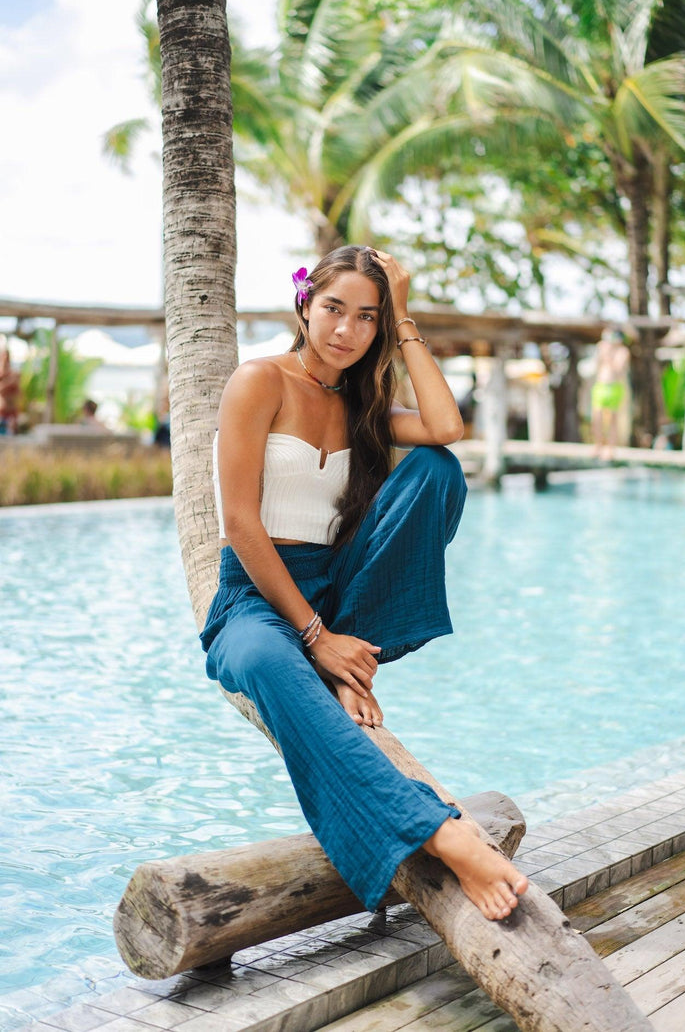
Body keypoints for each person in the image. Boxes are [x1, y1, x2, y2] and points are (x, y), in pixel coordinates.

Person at [200, 245, 528, 921]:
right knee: (262, 657)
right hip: (256, 600)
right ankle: (441, 831)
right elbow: (239, 523)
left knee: (436, 468)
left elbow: (446, 427)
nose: (346, 330)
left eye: (367, 317)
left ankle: (340, 664)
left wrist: (405, 316)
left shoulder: (362, 404)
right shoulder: (259, 381)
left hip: (340, 587)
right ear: (304, 306)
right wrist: (316, 639)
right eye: (333, 309)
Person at [591, 328, 630, 460]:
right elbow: (596, 365)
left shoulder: (623, 351)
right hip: (600, 386)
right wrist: (601, 352)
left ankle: (610, 449)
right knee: (597, 418)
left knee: (613, 419)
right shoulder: (602, 348)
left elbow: (618, 368)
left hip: (615, 388)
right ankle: (598, 446)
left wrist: (608, 354)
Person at [0, 347, 20, 434]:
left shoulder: (14, 374)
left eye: (6, 357)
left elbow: (18, 392)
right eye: (3, 356)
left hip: (11, 413)